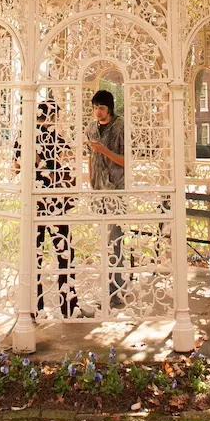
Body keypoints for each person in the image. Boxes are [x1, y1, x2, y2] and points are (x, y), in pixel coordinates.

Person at [15, 102, 79, 319]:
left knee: (35, 254)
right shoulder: (51, 137)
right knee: (65, 253)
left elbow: (14, 166)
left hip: (31, 204)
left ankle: (35, 305)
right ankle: (68, 304)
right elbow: (68, 160)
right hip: (53, 203)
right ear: (51, 116)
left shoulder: (23, 136)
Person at [85, 89, 126, 307]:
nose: (97, 112)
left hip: (116, 189)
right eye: (94, 108)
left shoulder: (120, 127)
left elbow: (127, 161)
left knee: (115, 240)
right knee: (103, 241)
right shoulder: (91, 128)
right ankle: (112, 286)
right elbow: (90, 157)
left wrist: (104, 150)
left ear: (109, 108)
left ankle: (115, 290)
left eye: (101, 107)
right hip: (98, 189)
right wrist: (91, 182)